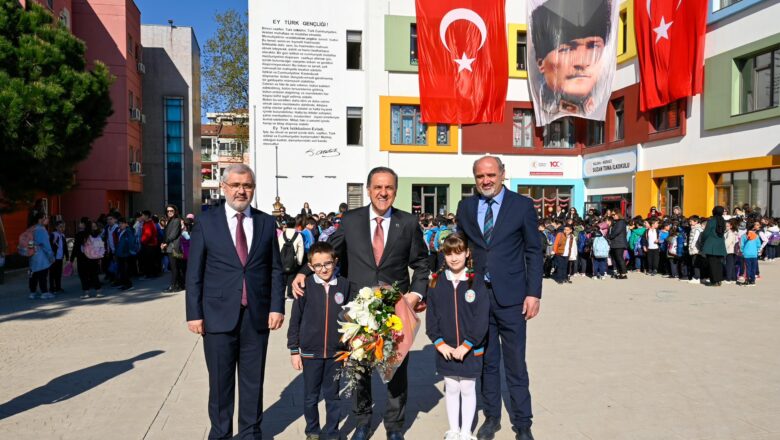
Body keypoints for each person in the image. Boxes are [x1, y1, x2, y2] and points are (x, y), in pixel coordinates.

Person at [292, 166, 430, 440]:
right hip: (358, 309)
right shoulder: (351, 220)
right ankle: (363, 422)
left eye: (389, 187)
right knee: (360, 370)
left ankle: (394, 426)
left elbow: (422, 263)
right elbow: (329, 250)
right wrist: (303, 272)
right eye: (378, 187)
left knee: (395, 370)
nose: (383, 193)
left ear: (395, 191)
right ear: (368, 190)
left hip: (394, 310)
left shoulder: (408, 222)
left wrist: (416, 294)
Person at [185, 164, 285, 440]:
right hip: (217, 316)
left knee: (253, 382)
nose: (241, 191)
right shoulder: (207, 222)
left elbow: (275, 269)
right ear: (224, 187)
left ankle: (251, 433)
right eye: (236, 185)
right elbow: (194, 273)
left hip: (257, 316)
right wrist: (194, 313)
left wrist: (277, 306)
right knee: (220, 383)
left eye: (247, 185)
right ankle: (221, 434)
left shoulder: (266, 223)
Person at [455, 156, 542, 440]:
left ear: (503, 174)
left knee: (515, 363)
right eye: (480, 176)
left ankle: (523, 422)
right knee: (487, 362)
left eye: (491, 174)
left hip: (513, 298)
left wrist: (533, 293)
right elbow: (459, 249)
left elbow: (533, 251)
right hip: (478, 297)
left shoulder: (522, 205)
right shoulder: (466, 207)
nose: (486, 181)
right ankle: (491, 417)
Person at [426, 234, 490, 440]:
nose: (454, 258)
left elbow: (481, 317)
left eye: (458, 253)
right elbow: (431, 317)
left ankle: (466, 432)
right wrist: (439, 343)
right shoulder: (436, 282)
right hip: (445, 349)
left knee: (468, 388)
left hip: (470, 349)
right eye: (449, 254)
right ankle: (454, 430)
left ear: (467, 253)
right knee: (452, 387)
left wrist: (468, 344)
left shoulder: (476, 281)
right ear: (443, 255)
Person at [287, 241, 351, 440]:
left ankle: (332, 432)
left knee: (333, 396)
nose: (323, 269)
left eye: (328, 263)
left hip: (336, 353)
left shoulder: (344, 285)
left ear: (335, 261)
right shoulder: (305, 286)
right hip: (310, 353)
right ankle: (312, 431)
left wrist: (349, 349)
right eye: (318, 265)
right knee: (311, 396)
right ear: (310, 266)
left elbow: (351, 320)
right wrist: (294, 350)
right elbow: (295, 320)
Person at [530, 0, 613, 122]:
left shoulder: (600, 100)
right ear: (540, 62)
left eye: (593, 46)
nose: (581, 62)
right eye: (566, 49)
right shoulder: (543, 105)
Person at [28, 213, 55, 299]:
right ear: (40, 219)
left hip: (33, 254)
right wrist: (51, 255)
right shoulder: (42, 230)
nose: (47, 219)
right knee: (43, 274)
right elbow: (46, 245)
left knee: (33, 274)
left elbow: (29, 242)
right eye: (45, 217)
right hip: (41, 255)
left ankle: (32, 292)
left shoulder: (31, 228)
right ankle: (44, 292)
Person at [700, 207, 727, 287]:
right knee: (719, 264)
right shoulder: (723, 221)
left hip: (711, 244)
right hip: (720, 244)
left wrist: (702, 240)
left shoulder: (711, 220)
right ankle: (719, 280)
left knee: (712, 264)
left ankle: (714, 281)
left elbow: (706, 233)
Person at [278, 219, 304, 300]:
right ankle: (290, 294)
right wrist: (299, 261)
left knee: (282, 278)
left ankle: (281, 295)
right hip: (293, 259)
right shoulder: (298, 235)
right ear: (295, 225)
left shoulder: (282, 234)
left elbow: (279, 246)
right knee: (291, 277)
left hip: (282, 259)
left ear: (286, 224)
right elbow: (301, 249)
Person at [162, 204, 185, 292]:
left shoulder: (176, 220)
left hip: (174, 247)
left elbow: (173, 235)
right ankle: (180, 285)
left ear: (175, 211)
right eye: (168, 211)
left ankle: (174, 286)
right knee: (176, 267)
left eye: (171, 211)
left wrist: (165, 243)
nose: (169, 212)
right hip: (172, 246)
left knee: (174, 267)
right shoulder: (171, 220)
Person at [80, 221, 106, 298]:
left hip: (90, 258)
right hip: (90, 258)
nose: (94, 228)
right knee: (90, 275)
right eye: (92, 226)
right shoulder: (92, 236)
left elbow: (101, 248)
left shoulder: (94, 236)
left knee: (91, 275)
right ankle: (93, 292)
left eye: (95, 226)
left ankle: (92, 292)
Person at [115, 217, 136, 291]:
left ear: (126, 224)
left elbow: (131, 242)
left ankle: (128, 284)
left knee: (125, 270)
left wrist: (127, 250)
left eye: (122, 223)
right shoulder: (119, 231)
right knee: (121, 270)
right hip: (120, 253)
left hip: (126, 254)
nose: (120, 225)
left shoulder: (128, 231)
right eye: (119, 223)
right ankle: (124, 283)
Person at [49, 220, 69, 293]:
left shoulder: (63, 236)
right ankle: (52, 288)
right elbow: (49, 246)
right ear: (56, 227)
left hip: (60, 258)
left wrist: (67, 256)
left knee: (58, 273)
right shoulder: (53, 235)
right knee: (52, 273)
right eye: (60, 227)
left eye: (63, 227)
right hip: (53, 258)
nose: (62, 228)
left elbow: (65, 247)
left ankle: (58, 287)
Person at [608, 213, 628, 279]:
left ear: (618, 214)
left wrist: (609, 237)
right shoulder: (617, 222)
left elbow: (616, 232)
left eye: (614, 215)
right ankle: (619, 273)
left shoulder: (621, 222)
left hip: (619, 243)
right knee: (616, 259)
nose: (613, 216)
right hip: (615, 243)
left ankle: (624, 274)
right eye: (612, 215)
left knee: (620, 258)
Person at [687, 216, 704, 284]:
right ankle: (699, 277)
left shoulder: (697, 229)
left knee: (695, 263)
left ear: (696, 222)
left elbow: (695, 239)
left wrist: (692, 246)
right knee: (697, 263)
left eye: (691, 221)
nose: (690, 223)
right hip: (696, 249)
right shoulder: (695, 228)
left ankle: (697, 277)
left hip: (696, 249)